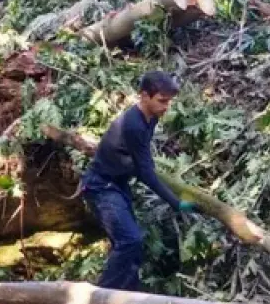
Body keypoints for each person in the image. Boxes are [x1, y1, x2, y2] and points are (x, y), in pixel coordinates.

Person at [82, 71, 195, 291]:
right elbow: (145, 172)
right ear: (144, 96)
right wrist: (176, 202)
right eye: (161, 101)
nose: (166, 107)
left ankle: (127, 298)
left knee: (131, 246)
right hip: (101, 187)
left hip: (118, 185)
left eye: (169, 101)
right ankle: (99, 298)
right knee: (129, 241)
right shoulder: (133, 124)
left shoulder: (151, 118)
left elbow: (142, 160)